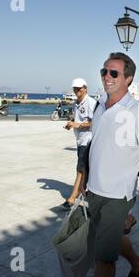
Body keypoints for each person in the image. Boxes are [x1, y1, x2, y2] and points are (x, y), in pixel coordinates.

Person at [80, 52, 139, 277]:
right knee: (108, 238)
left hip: (117, 196)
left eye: (114, 73)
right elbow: (96, 145)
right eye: (104, 71)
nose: (107, 76)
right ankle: (137, 263)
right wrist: (84, 180)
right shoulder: (100, 105)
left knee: (104, 258)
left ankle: (125, 219)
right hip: (94, 190)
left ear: (128, 78)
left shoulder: (135, 112)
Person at [61, 78, 97, 210]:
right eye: (75, 88)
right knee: (85, 170)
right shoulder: (77, 103)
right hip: (80, 140)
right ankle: (85, 195)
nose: (77, 90)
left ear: (85, 88)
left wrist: (78, 124)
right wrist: (72, 124)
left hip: (88, 140)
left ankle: (72, 197)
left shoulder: (91, 103)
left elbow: (95, 122)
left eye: (79, 88)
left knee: (81, 169)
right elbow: (79, 119)